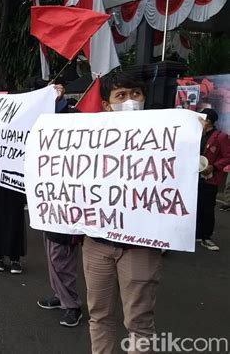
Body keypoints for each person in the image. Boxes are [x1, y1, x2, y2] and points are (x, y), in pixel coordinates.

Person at [81, 71, 162, 354]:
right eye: (121, 95)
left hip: (140, 246)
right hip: (97, 244)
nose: (130, 101)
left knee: (139, 323)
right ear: (106, 105)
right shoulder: (85, 139)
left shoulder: (165, 135)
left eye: (135, 94)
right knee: (99, 315)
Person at [37, 86, 83, 327]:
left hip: (69, 210)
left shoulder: (75, 128)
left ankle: (72, 305)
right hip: (50, 207)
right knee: (52, 256)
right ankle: (60, 295)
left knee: (61, 257)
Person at [196, 108, 230, 251]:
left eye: (200, 119)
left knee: (207, 209)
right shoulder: (196, 134)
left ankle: (206, 237)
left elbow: (227, 156)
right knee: (194, 208)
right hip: (194, 178)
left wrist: (214, 167)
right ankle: (196, 234)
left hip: (209, 179)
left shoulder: (221, 137)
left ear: (208, 121)